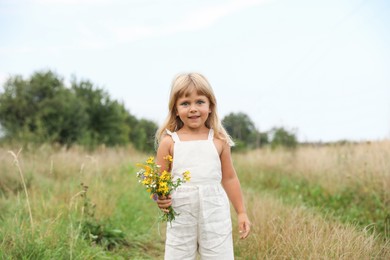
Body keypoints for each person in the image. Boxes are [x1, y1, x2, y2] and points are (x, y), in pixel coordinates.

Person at [155, 72, 250, 260]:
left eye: (199, 102)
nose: (193, 109)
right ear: (175, 109)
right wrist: (159, 197)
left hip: (215, 211)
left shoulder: (218, 140)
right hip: (180, 212)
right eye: (185, 103)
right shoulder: (169, 142)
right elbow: (158, 181)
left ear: (210, 106)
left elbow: (229, 178)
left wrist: (241, 212)